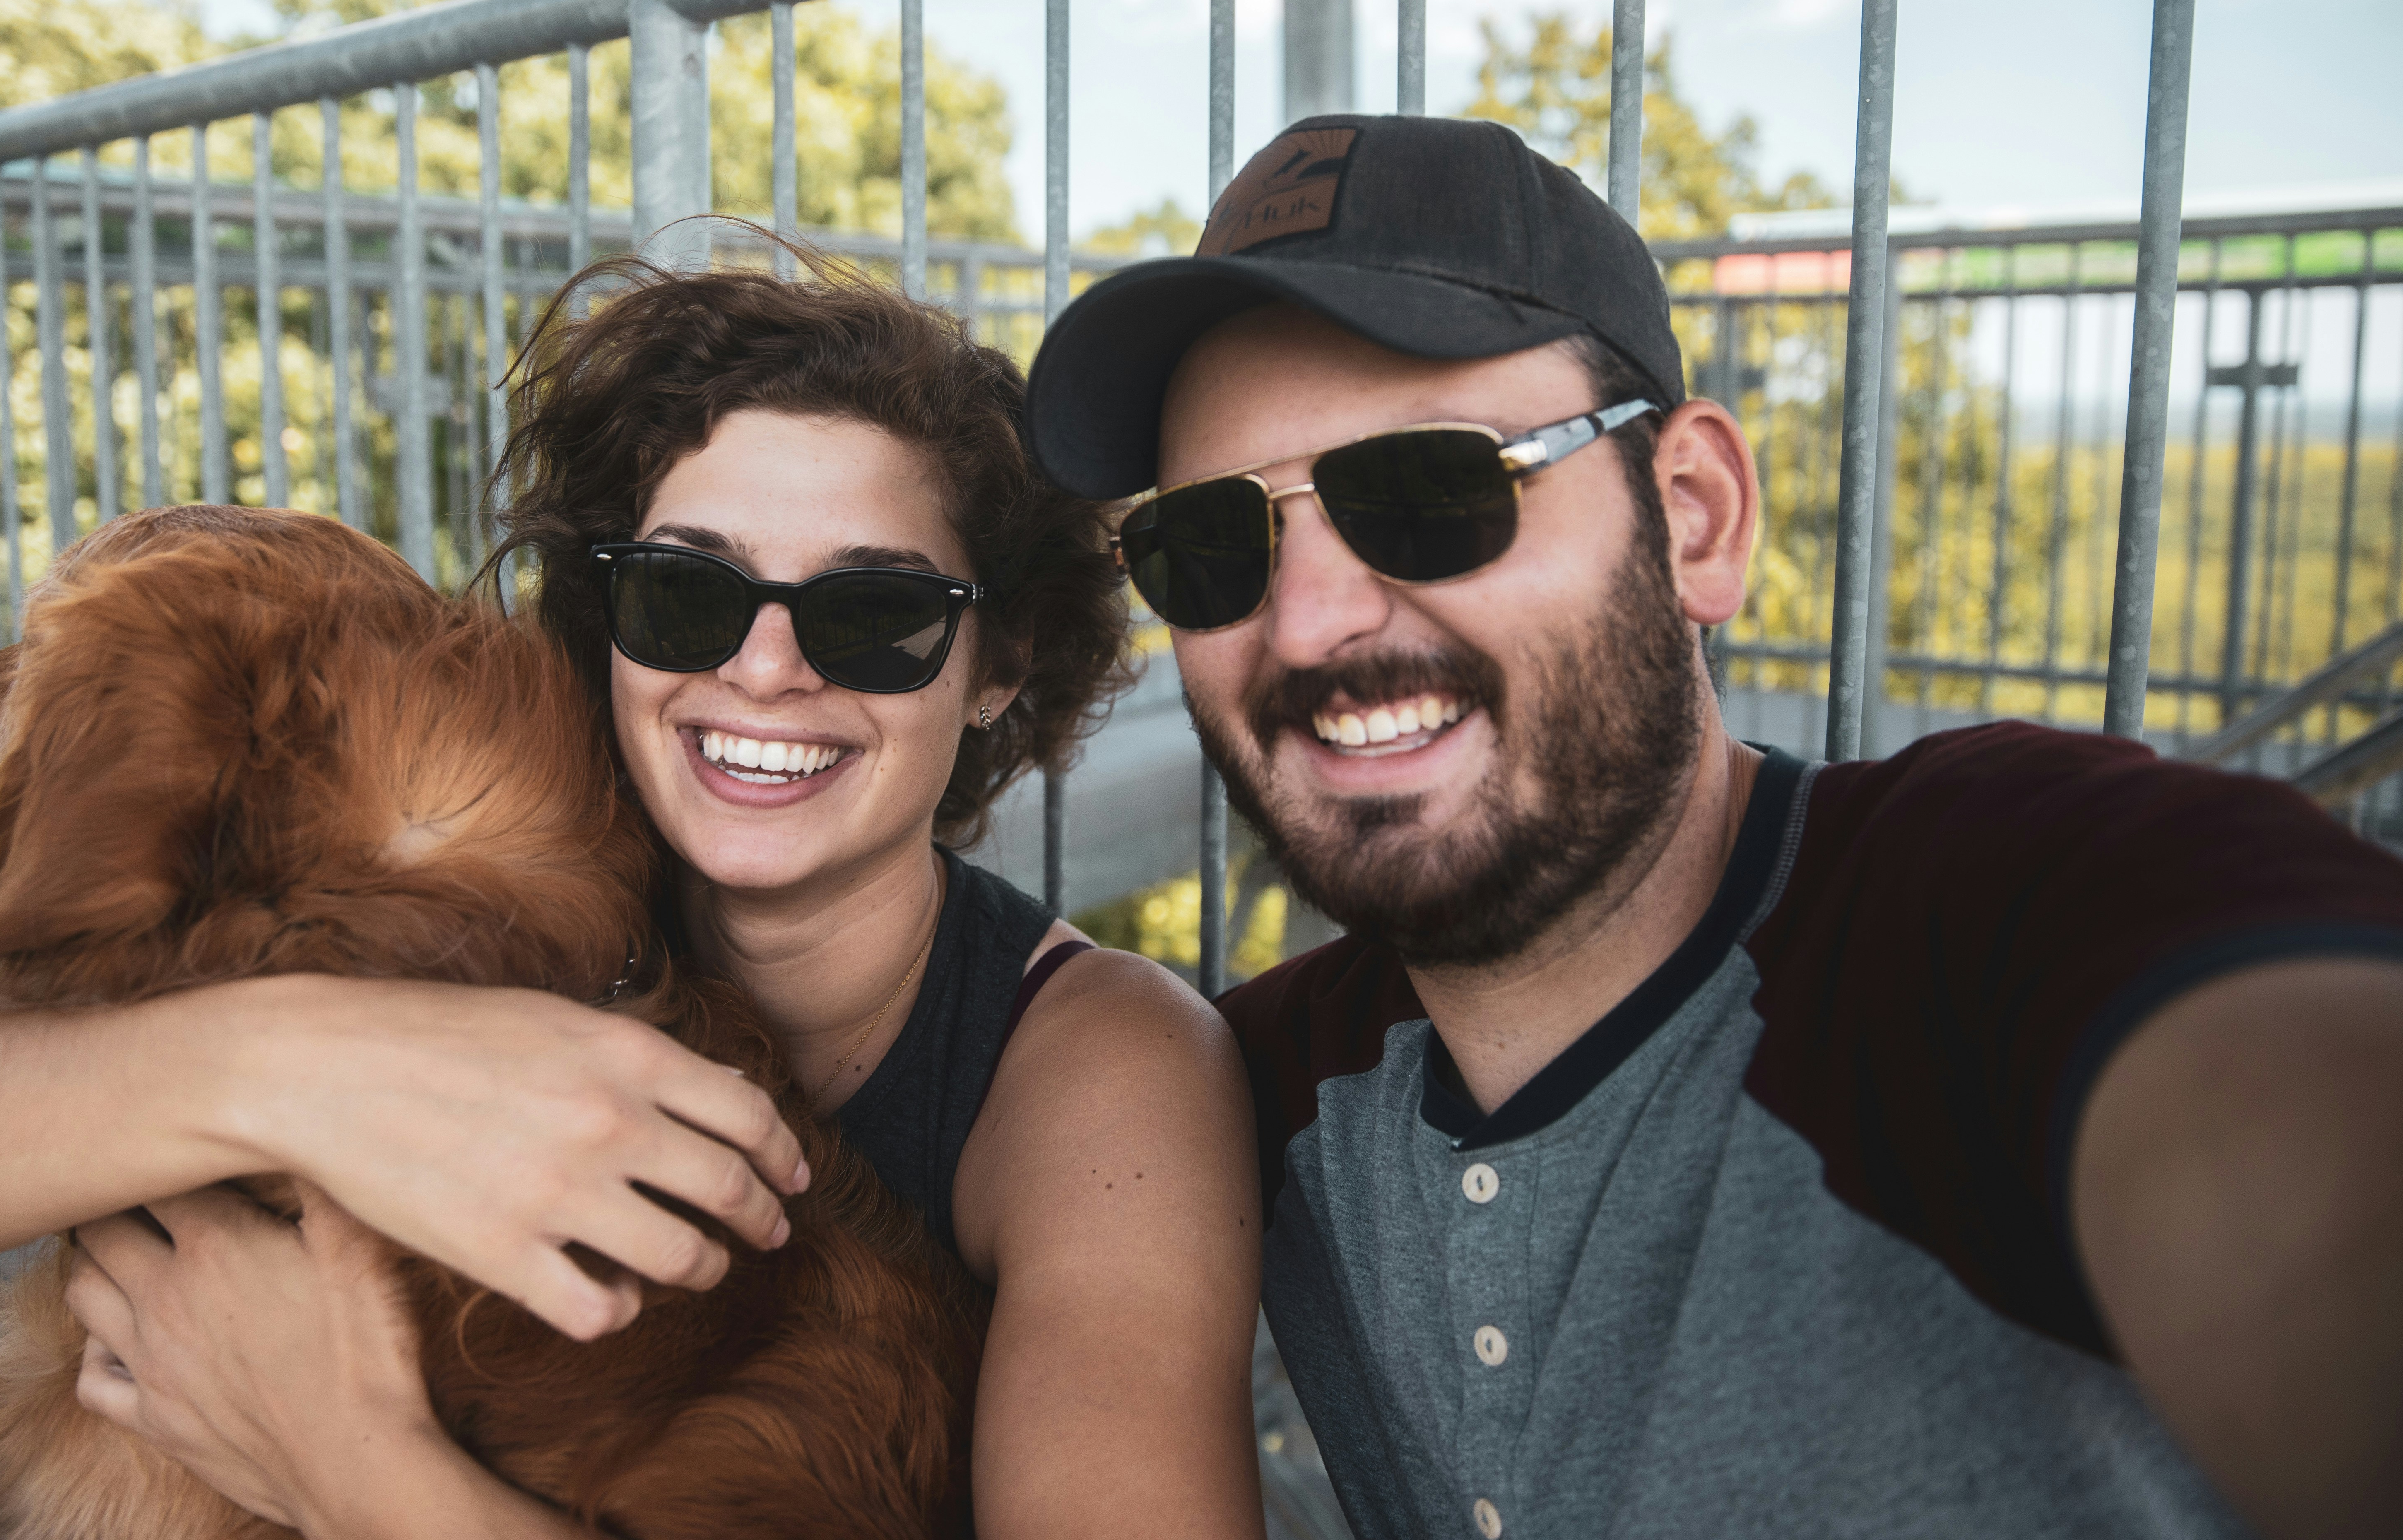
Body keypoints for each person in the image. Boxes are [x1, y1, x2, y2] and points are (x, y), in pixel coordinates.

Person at [0, 258, 1264, 1539]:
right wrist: (301, 1068)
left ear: (1005, 669)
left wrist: (347, 1461)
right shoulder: (493, 875)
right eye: (689, 590)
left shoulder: (1101, 1062)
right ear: (612, 619)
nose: (763, 665)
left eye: (877, 615)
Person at [1021, 115, 2403, 1540]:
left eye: (1428, 492)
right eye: (1211, 545)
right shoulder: (1253, 1096)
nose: (1310, 621)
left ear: (1693, 516)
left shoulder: (1991, 908)